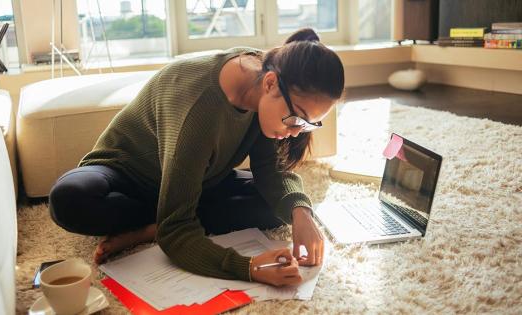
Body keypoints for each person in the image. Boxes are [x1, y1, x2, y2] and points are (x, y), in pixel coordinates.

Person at [49, 28, 345, 287]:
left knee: (276, 208)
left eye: (308, 125)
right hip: (127, 174)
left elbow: (269, 171)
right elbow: (177, 235)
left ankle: (153, 226)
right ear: (269, 84)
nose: (295, 132)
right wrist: (249, 268)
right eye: (297, 119)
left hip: (199, 178)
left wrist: (301, 213)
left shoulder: (268, 82)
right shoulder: (200, 110)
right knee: (69, 199)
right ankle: (168, 218)